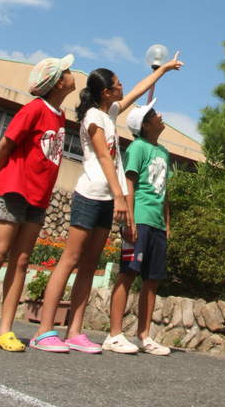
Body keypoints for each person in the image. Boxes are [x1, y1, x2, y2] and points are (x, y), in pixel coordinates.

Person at [30, 52, 183, 353]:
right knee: (70, 260)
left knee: (89, 264)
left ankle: (74, 332)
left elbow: (139, 89)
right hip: (90, 195)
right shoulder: (92, 116)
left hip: (107, 199)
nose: (122, 85)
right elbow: (103, 156)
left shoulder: (110, 113)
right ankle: (44, 330)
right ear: (106, 91)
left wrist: (163, 69)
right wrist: (121, 197)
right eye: (117, 83)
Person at [0, 55, 76, 352]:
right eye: (68, 71)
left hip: (39, 196)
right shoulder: (33, 109)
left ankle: (4, 330)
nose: (73, 74)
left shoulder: (59, 115)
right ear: (59, 82)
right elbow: (5, 145)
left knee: (21, 260)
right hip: (14, 190)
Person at [102, 98, 173, 355]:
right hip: (139, 220)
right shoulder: (137, 148)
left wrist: (167, 223)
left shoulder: (164, 152)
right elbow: (129, 184)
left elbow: (164, 191)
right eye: (155, 114)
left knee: (152, 279)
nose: (160, 115)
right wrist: (129, 221)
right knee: (129, 272)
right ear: (145, 125)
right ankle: (114, 334)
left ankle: (144, 336)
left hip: (156, 223)